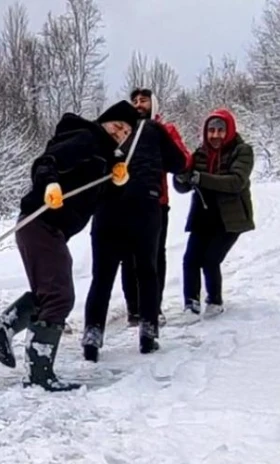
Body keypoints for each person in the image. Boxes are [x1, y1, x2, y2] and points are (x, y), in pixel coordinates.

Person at [0, 101, 139, 392]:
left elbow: (94, 199)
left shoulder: (104, 158)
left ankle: (4, 327)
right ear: (105, 121)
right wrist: (49, 185)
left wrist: (117, 183)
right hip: (39, 222)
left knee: (50, 293)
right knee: (60, 296)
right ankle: (39, 374)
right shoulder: (87, 139)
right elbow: (47, 163)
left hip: (48, 229)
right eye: (118, 126)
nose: (120, 133)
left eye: (126, 132)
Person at [81, 91, 190, 360]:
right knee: (147, 271)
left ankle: (93, 333)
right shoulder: (154, 129)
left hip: (107, 208)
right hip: (146, 206)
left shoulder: (101, 134)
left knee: (102, 276)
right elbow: (179, 163)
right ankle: (148, 331)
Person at [118, 88, 192, 327]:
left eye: (144, 100)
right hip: (125, 202)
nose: (139, 105)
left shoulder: (164, 130)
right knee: (128, 258)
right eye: (135, 101)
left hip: (156, 203)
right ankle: (134, 308)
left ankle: (153, 306)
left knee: (154, 256)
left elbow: (183, 159)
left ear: (154, 104)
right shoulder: (123, 131)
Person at [172, 108, 255, 318]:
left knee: (211, 259)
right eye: (211, 131)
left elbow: (236, 182)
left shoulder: (242, 151)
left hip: (230, 218)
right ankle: (191, 302)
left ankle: (215, 300)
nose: (215, 135)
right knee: (190, 259)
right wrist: (181, 177)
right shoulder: (200, 153)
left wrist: (201, 178)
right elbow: (183, 186)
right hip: (203, 215)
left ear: (229, 130)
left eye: (220, 130)